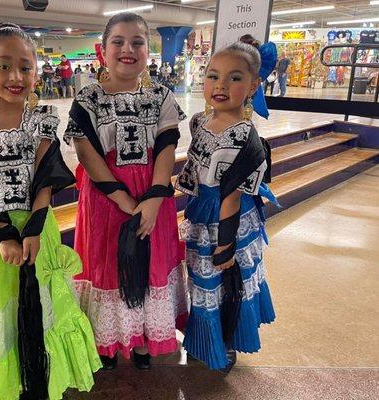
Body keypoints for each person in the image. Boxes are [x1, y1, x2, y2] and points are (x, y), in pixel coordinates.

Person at [0, 23, 100, 400]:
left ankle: (43, 376)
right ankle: (7, 384)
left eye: (25, 67)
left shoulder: (44, 118)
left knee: (44, 298)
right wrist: (3, 233)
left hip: (36, 226)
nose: (16, 77)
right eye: (4, 66)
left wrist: (32, 228)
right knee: (1, 300)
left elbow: (45, 178)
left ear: (36, 70)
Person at [64, 12, 189, 371]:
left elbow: (167, 146)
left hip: (154, 195)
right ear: (102, 50)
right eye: (117, 41)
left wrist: (151, 200)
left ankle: (144, 340)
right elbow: (87, 154)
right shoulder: (87, 98)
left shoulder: (161, 96)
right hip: (106, 199)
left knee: (149, 261)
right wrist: (126, 201)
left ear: (148, 49)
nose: (127, 49)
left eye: (137, 41)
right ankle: (108, 340)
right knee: (106, 264)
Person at [175, 39, 277, 374]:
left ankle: (226, 340)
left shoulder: (243, 137)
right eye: (212, 75)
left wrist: (226, 245)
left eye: (234, 78)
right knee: (203, 282)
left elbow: (232, 196)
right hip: (201, 214)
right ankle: (208, 339)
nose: (220, 85)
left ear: (254, 84)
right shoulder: (199, 122)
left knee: (226, 280)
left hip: (226, 222)